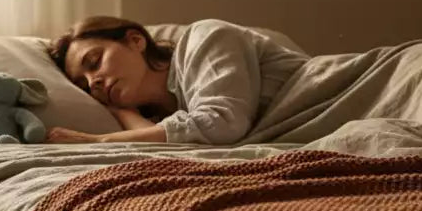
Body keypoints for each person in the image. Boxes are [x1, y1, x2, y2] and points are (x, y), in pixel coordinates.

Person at [47, 16, 303, 145]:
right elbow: (169, 143)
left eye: (94, 62)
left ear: (135, 41)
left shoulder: (205, 37)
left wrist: (99, 141)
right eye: (84, 86)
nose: (93, 82)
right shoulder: (165, 118)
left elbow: (222, 122)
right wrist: (122, 113)